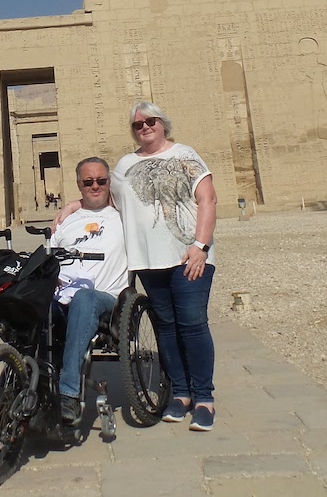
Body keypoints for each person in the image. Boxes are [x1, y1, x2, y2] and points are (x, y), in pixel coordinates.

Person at [54, 102, 218, 431]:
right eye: (137, 124)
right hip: (148, 262)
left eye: (150, 121)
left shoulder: (185, 154)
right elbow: (107, 197)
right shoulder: (125, 165)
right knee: (167, 328)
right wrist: (75, 204)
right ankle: (180, 394)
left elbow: (208, 198)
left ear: (162, 124)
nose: (144, 127)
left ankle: (204, 398)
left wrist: (200, 245)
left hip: (189, 256)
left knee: (193, 324)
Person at [52, 157, 128, 426]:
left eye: (101, 181)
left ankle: (69, 391)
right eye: (88, 182)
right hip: (63, 295)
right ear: (79, 185)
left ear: (110, 183)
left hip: (105, 297)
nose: (95, 186)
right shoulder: (65, 221)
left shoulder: (124, 215)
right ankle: (17, 381)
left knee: (84, 298)